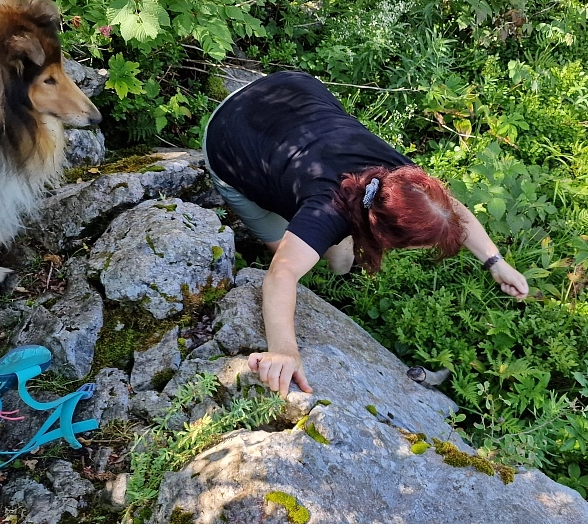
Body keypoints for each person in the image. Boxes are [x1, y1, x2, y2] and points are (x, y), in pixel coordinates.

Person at [203, 71, 528, 399]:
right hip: (228, 135)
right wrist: (285, 350)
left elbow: (450, 211)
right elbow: (281, 274)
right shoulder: (326, 211)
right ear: (386, 234)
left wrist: (496, 262)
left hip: (287, 87)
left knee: (339, 257)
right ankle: (278, 204)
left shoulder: (401, 179)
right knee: (285, 244)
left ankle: (328, 248)